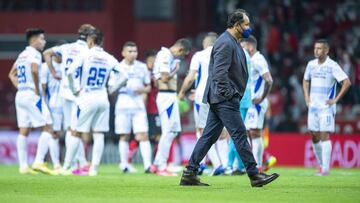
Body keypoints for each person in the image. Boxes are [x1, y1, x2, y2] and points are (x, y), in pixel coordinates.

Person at [180, 9, 279, 187]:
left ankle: (189, 173)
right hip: (225, 99)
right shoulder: (226, 43)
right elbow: (219, 74)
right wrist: (231, 96)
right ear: (236, 25)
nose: (249, 27)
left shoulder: (232, 42)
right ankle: (254, 175)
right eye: (246, 24)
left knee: (208, 136)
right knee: (240, 134)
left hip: (220, 98)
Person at [65, 28, 128, 176]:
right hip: (102, 96)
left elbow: (69, 72)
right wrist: (112, 89)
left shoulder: (85, 54)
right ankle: (93, 169)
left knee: (75, 131)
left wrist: (75, 89)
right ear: (102, 42)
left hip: (86, 95)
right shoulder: (109, 57)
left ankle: (67, 167)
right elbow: (124, 75)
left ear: (91, 41)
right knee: (98, 133)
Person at [43, 24, 95, 175]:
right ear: (90, 36)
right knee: (76, 129)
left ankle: (78, 163)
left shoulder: (66, 47)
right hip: (80, 92)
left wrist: (53, 72)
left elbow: (46, 53)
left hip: (65, 92)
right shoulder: (89, 50)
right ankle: (74, 164)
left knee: (70, 128)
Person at [178, 32, 228, 176]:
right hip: (220, 97)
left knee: (202, 132)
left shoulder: (199, 55)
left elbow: (190, 77)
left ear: (205, 43)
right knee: (222, 132)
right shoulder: (223, 54)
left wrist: (182, 92)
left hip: (203, 97)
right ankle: (224, 165)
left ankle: (216, 165)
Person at [8, 28, 54, 175]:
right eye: (42, 39)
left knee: (24, 130)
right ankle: (39, 161)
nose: (44, 42)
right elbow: (34, 70)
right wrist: (36, 89)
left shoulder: (22, 54)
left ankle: (23, 166)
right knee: (48, 126)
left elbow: (11, 74)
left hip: (21, 95)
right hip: (32, 95)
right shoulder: (34, 54)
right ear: (33, 40)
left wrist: (21, 87)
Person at [302, 39, 351, 176]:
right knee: (314, 135)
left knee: (324, 135)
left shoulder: (332, 66)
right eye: (315, 48)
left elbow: (346, 82)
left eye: (319, 48)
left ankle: (325, 169)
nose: (316, 51)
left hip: (326, 108)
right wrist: (306, 96)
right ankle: (322, 165)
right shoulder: (311, 65)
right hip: (313, 107)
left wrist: (335, 99)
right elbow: (305, 80)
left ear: (326, 50)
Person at [150, 38, 192, 176]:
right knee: (169, 131)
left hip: (169, 96)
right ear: (180, 49)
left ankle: (157, 164)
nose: (183, 57)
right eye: (184, 54)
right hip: (166, 97)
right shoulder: (164, 56)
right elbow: (164, 78)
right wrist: (175, 70)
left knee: (172, 131)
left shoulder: (168, 57)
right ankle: (161, 166)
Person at [115, 41, 152, 173]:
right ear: (123, 53)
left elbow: (149, 87)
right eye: (130, 51)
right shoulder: (117, 67)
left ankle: (148, 165)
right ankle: (124, 164)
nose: (133, 54)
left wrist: (142, 90)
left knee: (143, 135)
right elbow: (111, 89)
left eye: (135, 51)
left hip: (138, 105)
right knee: (124, 135)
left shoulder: (142, 67)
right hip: (122, 104)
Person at [241, 36, 273, 170]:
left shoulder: (259, 60)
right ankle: (254, 164)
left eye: (243, 47)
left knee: (254, 132)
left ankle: (258, 165)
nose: (241, 50)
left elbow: (269, 80)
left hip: (257, 103)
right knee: (249, 132)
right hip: (250, 103)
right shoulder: (250, 60)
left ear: (251, 47)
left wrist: (262, 97)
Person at [225, 43, 252, 176]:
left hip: (238, 98)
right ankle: (239, 165)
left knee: (234, 133)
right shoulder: (246, 56)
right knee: (239, 132)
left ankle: (232, 165)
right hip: (244, 98)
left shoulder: (239, 54)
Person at [40, 41, 67, 173]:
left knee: (73, 132)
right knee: (54, 134)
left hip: (68, 105)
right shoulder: (45, 67)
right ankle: (56, 164)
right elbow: (43, 88)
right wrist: (44, 106)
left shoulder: (69, 65)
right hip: (54, 105)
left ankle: (75, 164)